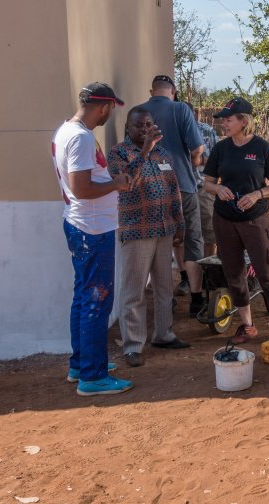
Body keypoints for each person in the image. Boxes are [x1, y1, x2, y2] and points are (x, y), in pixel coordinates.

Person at [51, 82, 133, 396]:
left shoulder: (65, 131)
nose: (110, 115)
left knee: (84, 297)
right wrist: (117, 184)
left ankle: (82, 364)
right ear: (105, 106)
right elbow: (82, 189)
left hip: (80, 225)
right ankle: (93, 376)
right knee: (97, 300)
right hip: (92, 229)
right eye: (111, 109)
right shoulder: (82, 138)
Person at [202, 97, 269, 342]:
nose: (223, 123)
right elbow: (207, 181)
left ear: (243, 121)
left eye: (228, 119)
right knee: (234, 272)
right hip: (225, 218)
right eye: (222, 119)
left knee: (265, 271)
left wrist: (257, 194)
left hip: (255, 219)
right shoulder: (221, 149)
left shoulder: (261, 147)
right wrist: (218, 190)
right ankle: (247, 324)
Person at [107, 107, 190, 368]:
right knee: (134, 290)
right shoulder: (119, 153)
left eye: (148, 125)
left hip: (164, 229)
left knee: (165, 286)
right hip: (137, 230)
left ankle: (164, 334)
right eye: (138, 126)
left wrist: (179, 223)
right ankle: (133, 345)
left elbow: (173, 189)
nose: (144, 130)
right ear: (128, 129)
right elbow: (128, 181)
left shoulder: (162, 152)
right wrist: (144, 151)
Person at [137, 75, 206, 317]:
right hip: (182, 186)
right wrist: (193, 164)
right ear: (173, 91)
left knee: (159, 243)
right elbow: (197, 149)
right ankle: (197, 298)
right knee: (191, 240)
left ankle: (164, 299)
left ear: (151, 90)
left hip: (149, 190)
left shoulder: (139, 112)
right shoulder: (181, 110)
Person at [186, 101, 219, 258]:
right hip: (181, 190)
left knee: (209, 231)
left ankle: (208, 268)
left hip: (203, 187)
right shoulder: (173, 131)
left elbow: (218, 159)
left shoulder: (207, 131)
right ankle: (189, 273)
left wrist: (199, 160)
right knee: (186, 233)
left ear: (195, 114)